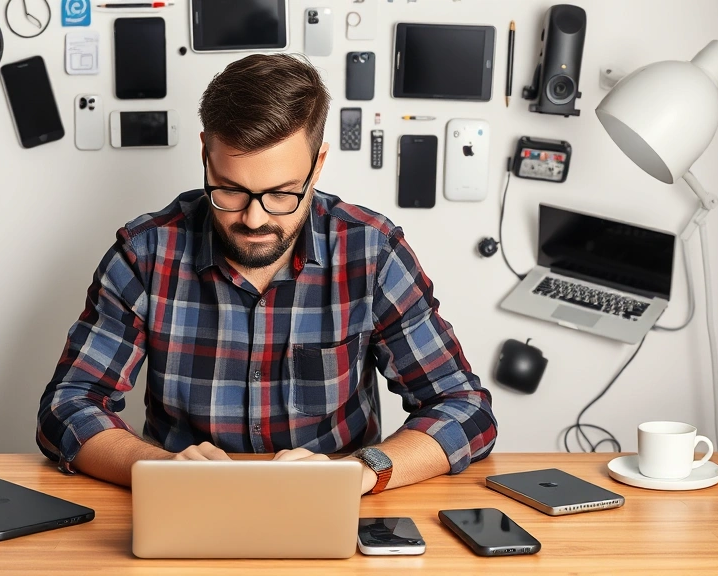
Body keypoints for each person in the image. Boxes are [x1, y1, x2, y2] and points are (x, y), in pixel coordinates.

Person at [37, 54, 496, 495]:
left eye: (280, 194)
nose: (255, 220)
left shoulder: (371, 252)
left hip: (330, 506)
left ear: (316, 166)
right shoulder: (145, 254)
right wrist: (155, 468)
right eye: (231, 191)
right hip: (183, 503)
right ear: (205, 155)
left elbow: (464, 409)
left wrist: (361, 471)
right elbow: (67, 407)